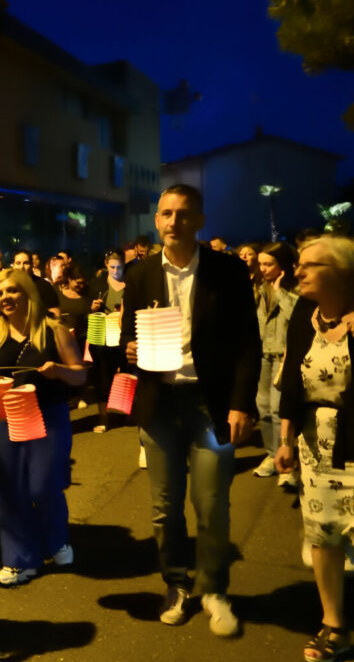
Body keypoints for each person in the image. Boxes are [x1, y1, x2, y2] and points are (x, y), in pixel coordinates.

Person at [121, 184, 261, 637]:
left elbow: (247, 345)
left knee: (211, 504)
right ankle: (176, 585)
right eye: (165, 213)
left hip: (210, 402)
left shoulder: (227, 271)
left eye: (183, 213)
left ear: (199, 220)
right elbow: (128, 336)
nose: (173, 221)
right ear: (156, 220)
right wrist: (130, 349)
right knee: (164, 507)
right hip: (160, 403)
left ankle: (215, 589)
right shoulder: (140, 273)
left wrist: (242, 404)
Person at [0, 269, 85, 586]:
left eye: (11, 291)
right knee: (10, 491)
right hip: (8, 419)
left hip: (49, 416)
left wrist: (59, 370)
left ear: (27, 294)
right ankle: (21, 560)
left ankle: (57, 539)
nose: (5, 298)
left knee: (43, 484)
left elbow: (80, 375)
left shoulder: (53, 330)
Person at [275, 235, 354, 662]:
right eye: (298, 264)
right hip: (314, 444)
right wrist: (285, 440)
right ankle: (334, 624)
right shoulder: (304, 312)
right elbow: (291, 381)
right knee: (323, 534)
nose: (298, 271)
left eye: (310, 265)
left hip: (352, 436)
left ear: (339, 273)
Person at [251, 243, 299, 484]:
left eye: (269, 264)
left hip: (283, 356)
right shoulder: (260, 288)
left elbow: (298, 318)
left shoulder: (294, 289)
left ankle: (286, 460)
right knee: (263, 407)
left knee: (281, 410)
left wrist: (281, 292)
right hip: (263, 356)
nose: (263, 268)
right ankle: (272, 455)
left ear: (282, 266)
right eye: (261, 264)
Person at [88, 251, 129, 436]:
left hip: (123, 335)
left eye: (119, 267)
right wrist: (93, 307)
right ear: (106, 265)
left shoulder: (130, 284)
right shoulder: (97, 284)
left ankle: (124, 413)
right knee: (102, 377)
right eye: (112, 267)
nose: (115, 271)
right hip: (102, 335)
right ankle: (103, 417)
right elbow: (85, 310)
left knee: (127, 375)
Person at [12, 249, 60, 316]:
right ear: (13, 265)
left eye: (26, 263)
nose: (21, 267)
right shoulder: (7, 286)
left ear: (31, 265)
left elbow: (55, 313)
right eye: (18, 263)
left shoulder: (44, 286)